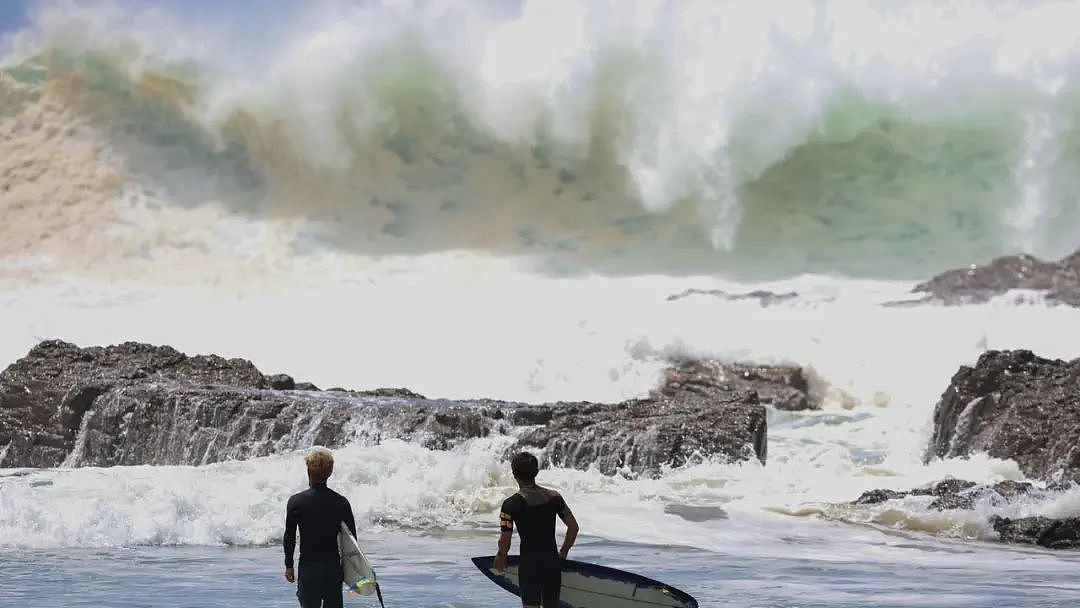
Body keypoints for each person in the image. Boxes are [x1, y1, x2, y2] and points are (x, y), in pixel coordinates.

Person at [494, 451, 580, 608]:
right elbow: (573, 528)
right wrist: (564, 552)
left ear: (514, 474)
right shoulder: (555, 497)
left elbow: (505, 539)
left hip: (530, 565)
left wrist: (501, 556)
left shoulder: (510, 505)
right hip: (552, 564)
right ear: (536, 472)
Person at [284, 448, 358, 608]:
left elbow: (289, 536)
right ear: (329, 472)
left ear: (308, 471)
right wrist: (349, 571)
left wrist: (288, 565)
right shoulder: (341, 502)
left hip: (309, 567)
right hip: (332, 567)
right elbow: (352, 540)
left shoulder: (296, 502)